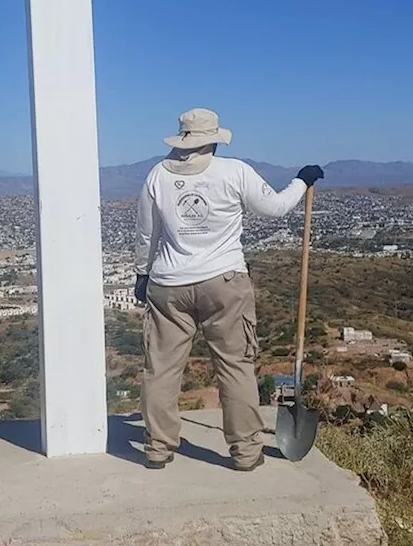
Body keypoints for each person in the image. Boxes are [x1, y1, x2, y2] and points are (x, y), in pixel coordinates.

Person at [133, 107, 323, 471]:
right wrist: (302, 180)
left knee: (160, 369)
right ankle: (246, 452)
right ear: (214, 140)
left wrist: (142, 274)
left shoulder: (157, 175)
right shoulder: (234, 171)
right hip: (224, 282)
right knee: (235, 367)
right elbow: (276, 207)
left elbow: (147, 233)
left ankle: (157, 447)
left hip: (169, 285)